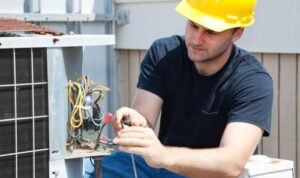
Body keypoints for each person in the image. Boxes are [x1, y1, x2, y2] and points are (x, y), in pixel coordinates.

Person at [97, 0, 273, 177]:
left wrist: (163, 155)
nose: (197, 39)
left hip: (206, 174)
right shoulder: (164, 53)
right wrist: (137, 121)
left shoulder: (253, 81)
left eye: (211, 31)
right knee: (90, 169)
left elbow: (231, 163)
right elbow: (145, 121)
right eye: (193, 25)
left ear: (237, 33)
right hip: (158, 167)